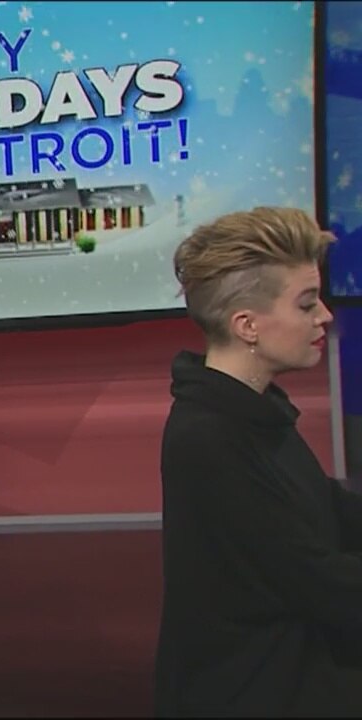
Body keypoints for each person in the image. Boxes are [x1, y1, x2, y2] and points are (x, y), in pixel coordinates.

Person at [155, 206, 362, 716]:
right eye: (307, 304)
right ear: (247, 325)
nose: (324, 316)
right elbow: (314, 577)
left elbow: (330, 512)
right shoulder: (208, 438)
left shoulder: (255, 413)